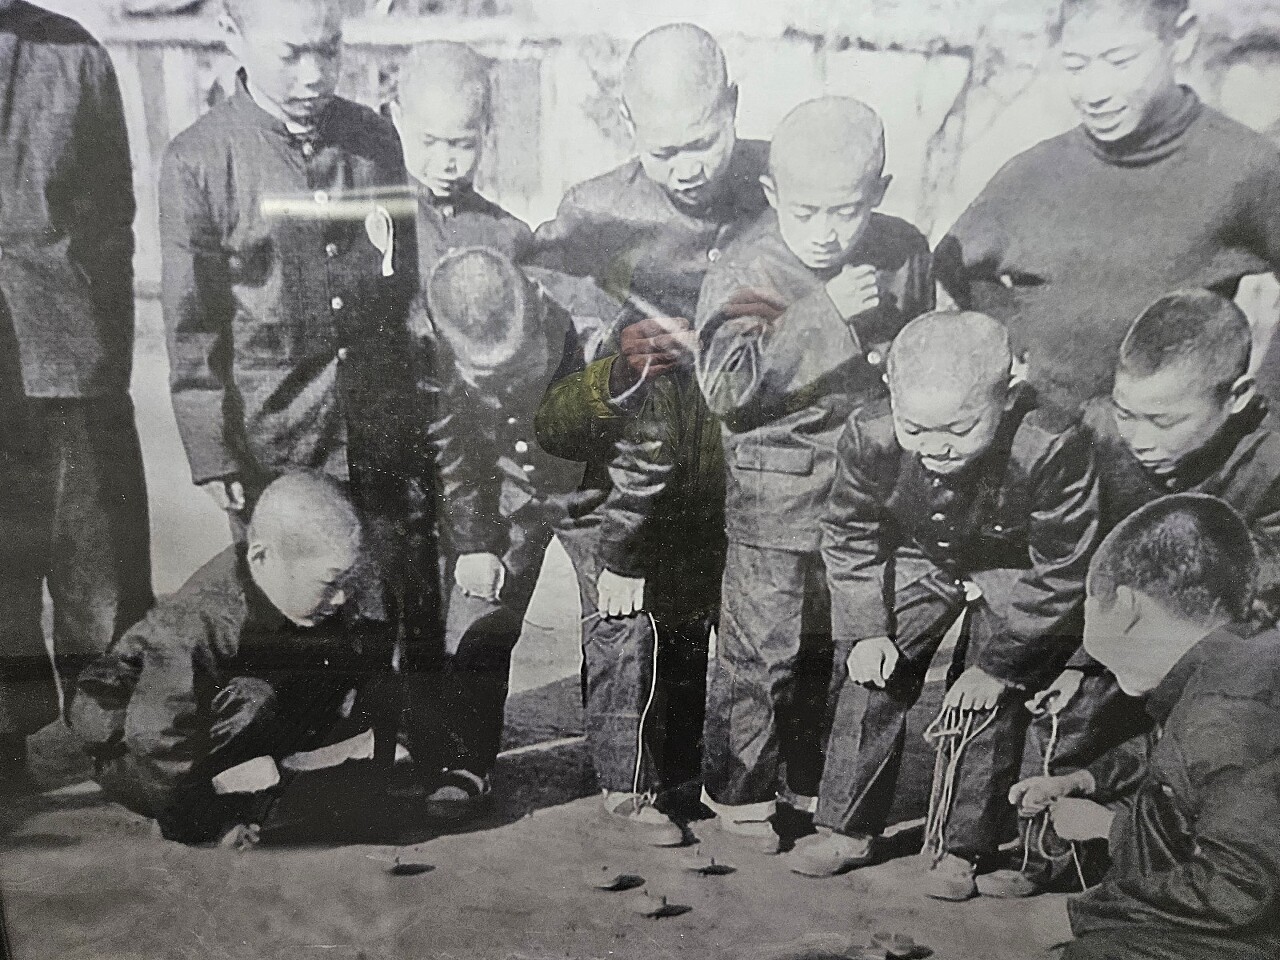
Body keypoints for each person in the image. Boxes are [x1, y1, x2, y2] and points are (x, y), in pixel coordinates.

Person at [532, 23, 768, 840]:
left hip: (729, 453)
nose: (688, 168)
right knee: (626, 613)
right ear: (629, 125)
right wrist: (614, 343)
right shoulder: (593, 210)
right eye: (664, 151)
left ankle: (687, 774)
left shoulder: (779, 187)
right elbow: (544, 315)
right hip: (629, 450)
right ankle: (626, 785)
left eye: (704, 141)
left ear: (733, 105)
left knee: (698, 615)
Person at [981, 289, 1280, 897]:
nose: (1139, 437)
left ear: (1237, 398)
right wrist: (1082, 660)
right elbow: (1097, 563)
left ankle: (1170, 864)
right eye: (1127, 413)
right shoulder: (1103, 437)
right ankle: (1050, 855)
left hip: (1228, 643)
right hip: (1124, 621)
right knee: (1068, 709)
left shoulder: (1273, 466)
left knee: (1203, 744)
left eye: (1163, 422)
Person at [695, 97, 933, 852]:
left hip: (863, 502)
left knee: (828, 654)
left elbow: (916, 355)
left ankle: (804, 781)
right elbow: (727, 387)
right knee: (761, 655)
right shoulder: (749, 265)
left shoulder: (903, 250)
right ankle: (738, 792)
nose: (827, 231)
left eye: (847, 210)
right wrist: (824, 313)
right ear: (772, 193)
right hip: (774, 501)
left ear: (880, 192)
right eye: (806, 212)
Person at [798, 311, 1099, 898]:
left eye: (960, 430)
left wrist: (999, 666)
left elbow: (1062, 569)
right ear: (891, 391)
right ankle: (846, 827)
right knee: (871, 673)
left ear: (1007, 396)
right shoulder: (868, 432)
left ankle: (961, 846)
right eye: (915, 428)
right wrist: (866, 629)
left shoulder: (1054, 443)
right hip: (921, 553)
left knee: (985, 697)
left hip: (1016, 567)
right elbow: (850, 533)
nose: (935, 447)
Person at [159, 0, 420, 568]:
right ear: (232, 35)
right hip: (273, 443)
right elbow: (192, 324)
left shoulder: (374, 140)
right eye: (291, 54)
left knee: (389, 594)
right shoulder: (198, 160)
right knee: (293, 598)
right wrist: (212, 452)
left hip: (378, 435)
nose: (314, 74)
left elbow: (402, 287)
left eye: (329, 49)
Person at [935, 0, 1280, 413]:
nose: (1095, 92)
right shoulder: (1036, 171)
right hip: (1045, 430)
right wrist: (1016, 328)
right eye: (1075, 66)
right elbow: (954, 262)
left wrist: (1270, 411)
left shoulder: (1243, 166)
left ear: (1182, 38)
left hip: (1170, 441)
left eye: (1120, 62)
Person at [1011, 494, 1280, 960]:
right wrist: (1084, 780)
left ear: (1126, 605)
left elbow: (1239, 887)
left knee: (1097, 953)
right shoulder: (1234, 661)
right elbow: (1175, 756)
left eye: (1087, 609)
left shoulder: (1228, 715)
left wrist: (1084, 914)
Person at [70, 474, 394, 847]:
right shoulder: (201, 621)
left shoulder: (281, 582)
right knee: (254, 700)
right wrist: (207, 824)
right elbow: (156, 735)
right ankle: (195, 805)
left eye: (348, 582)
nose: (340, 598)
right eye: (330, 583)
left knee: (327, 665)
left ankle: (252, 777)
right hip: (131, 749)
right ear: (261, 557)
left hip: (189, 716)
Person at [0, 0, 153, 786]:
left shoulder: (76, 55)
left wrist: (104, 356)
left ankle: (115, 733)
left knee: (98, 565)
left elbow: (113, 217)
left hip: (67, 351)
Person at [407, 248, 584, 820]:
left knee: (622, 618)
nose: (500, 379)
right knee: (475, 619)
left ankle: (630, 772)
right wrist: (473, 543)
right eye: (482, 372)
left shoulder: (583, 318)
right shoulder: (426, 338)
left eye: (515, 361)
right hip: (500, 490)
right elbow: (447, 447)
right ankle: (466, 763)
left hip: (594, 483)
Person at [388, 40, 533, 280]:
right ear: (397, 119)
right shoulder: (378, 218)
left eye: (464, 145)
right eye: (429, 142)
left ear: (486, 130)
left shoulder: (505, 235)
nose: (445, 163)